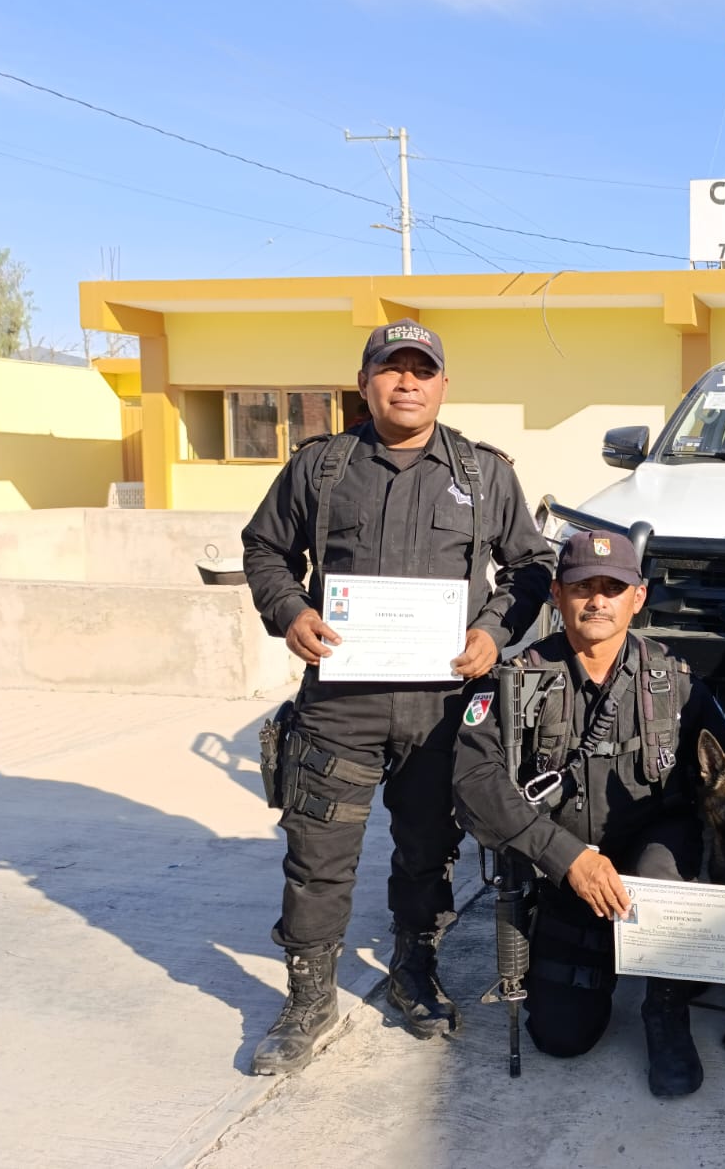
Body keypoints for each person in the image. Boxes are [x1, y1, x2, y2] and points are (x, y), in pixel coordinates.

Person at [242, 318, 554, 1074]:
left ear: (444, 386)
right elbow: (265, 550)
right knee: (318, 856)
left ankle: (415, 968)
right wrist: (292, 613)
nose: (407, 382)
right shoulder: (320, 468)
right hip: (339, 706)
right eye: (392, 369)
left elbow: (533, 566)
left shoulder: (483, 474)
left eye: (423, 370)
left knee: (428, 853)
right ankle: (309, 997)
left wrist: (491, 628)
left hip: (441, 707)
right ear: (365, 382)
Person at [451, 530, 725, 1097]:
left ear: (639, 596)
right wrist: (565, 858)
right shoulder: (515, 682)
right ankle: (598, 949)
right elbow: (472, 780)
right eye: (583, 587)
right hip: (566, 868)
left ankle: (666, 1007)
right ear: (556, 594)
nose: (598, 601)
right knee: (562, 1036)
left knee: (660, 873)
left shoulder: (674, 680)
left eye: (613, 587)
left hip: (652, 853)